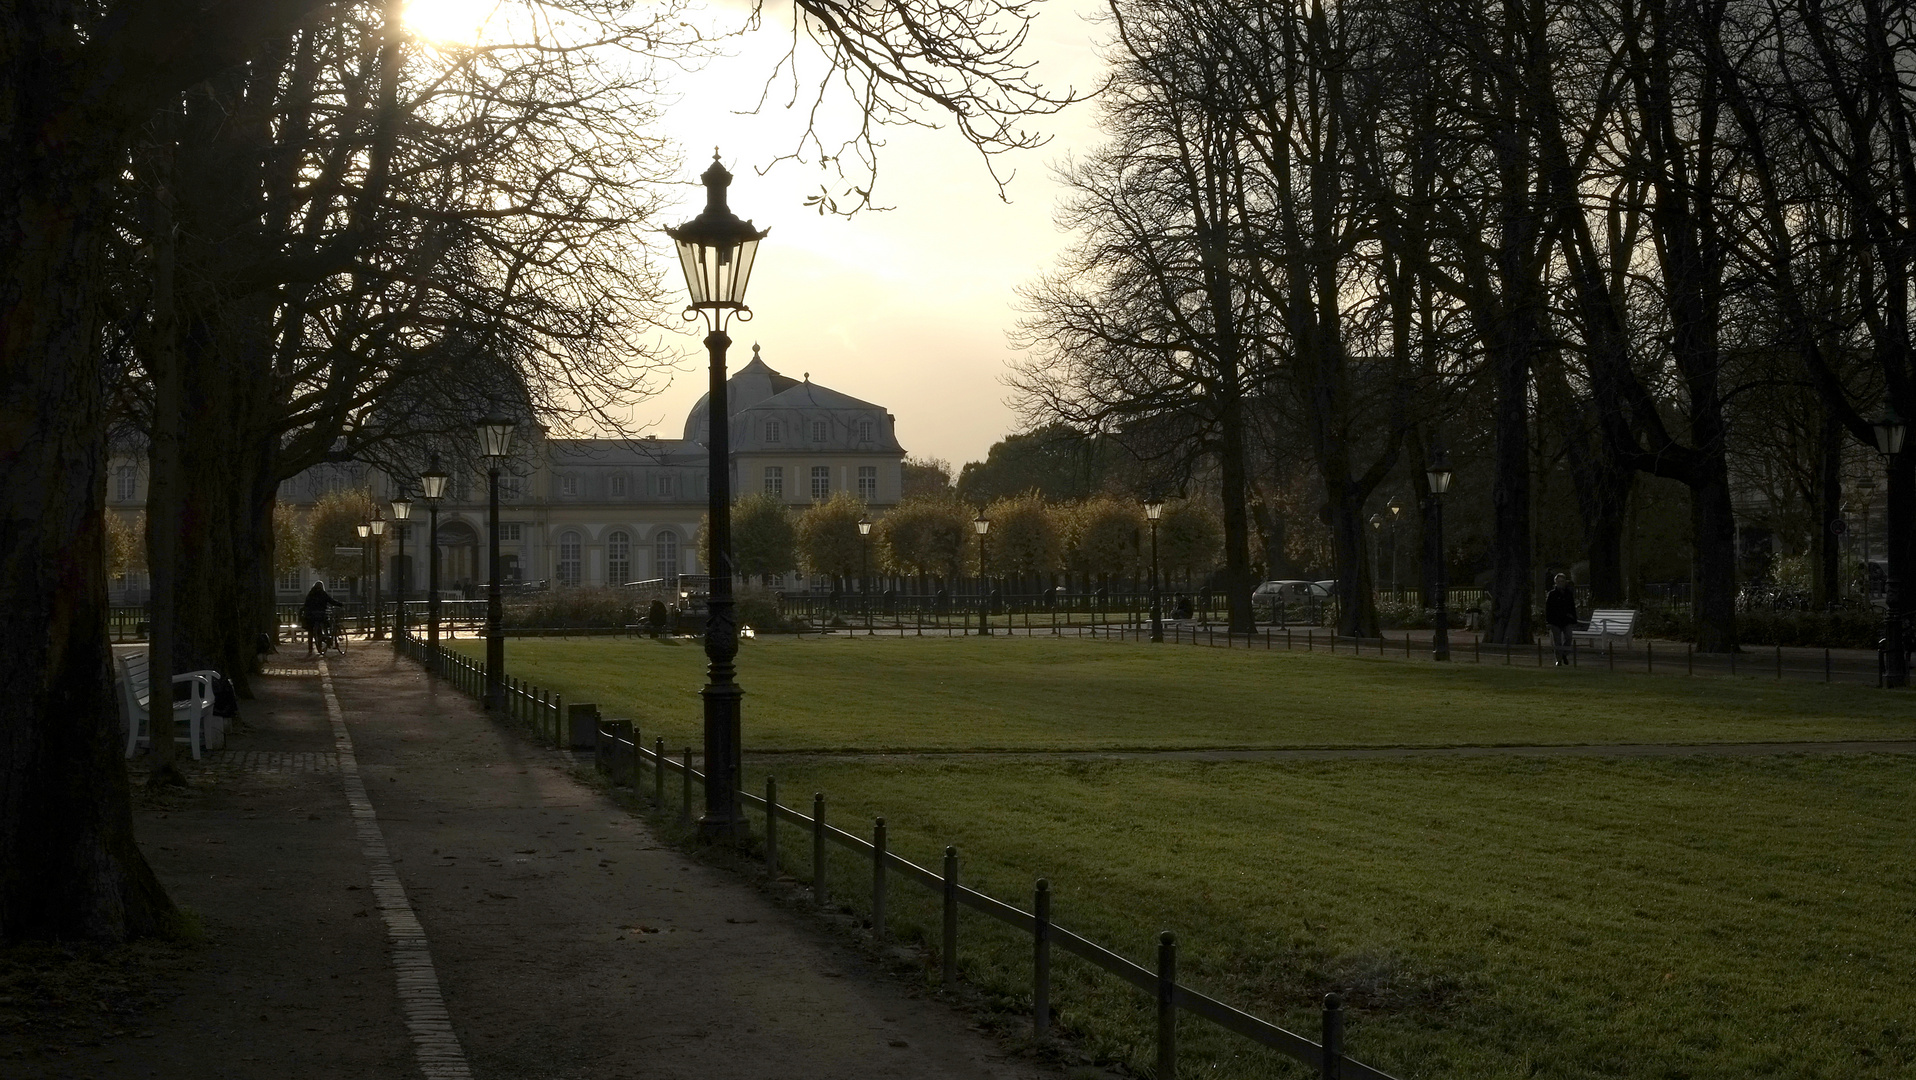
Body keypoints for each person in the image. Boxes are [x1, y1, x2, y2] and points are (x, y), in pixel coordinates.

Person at [1545, 573, 1579, 666]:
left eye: (1562, 581)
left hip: (1566, 620)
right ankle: (1558, 659)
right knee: (1557, 641)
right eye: (1559, 581)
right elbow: (1548, 609)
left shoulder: (1568, 594)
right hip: (1555, 621)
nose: (1561, 583)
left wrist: (1574, 619)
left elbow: (1572, 607)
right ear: (1555, 582)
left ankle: (1564, 654)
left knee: (1568, 637)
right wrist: (1548, 621)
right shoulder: (1552, 594)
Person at [302, 581, 343, 655]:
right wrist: (340, 604)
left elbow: (306, 604)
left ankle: (310, 649)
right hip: (320, 614)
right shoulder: (322, 593)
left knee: (310, 633)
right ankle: (324, 641)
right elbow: (331, 601)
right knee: (324, 625)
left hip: (310, 615)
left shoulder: (310, 594)